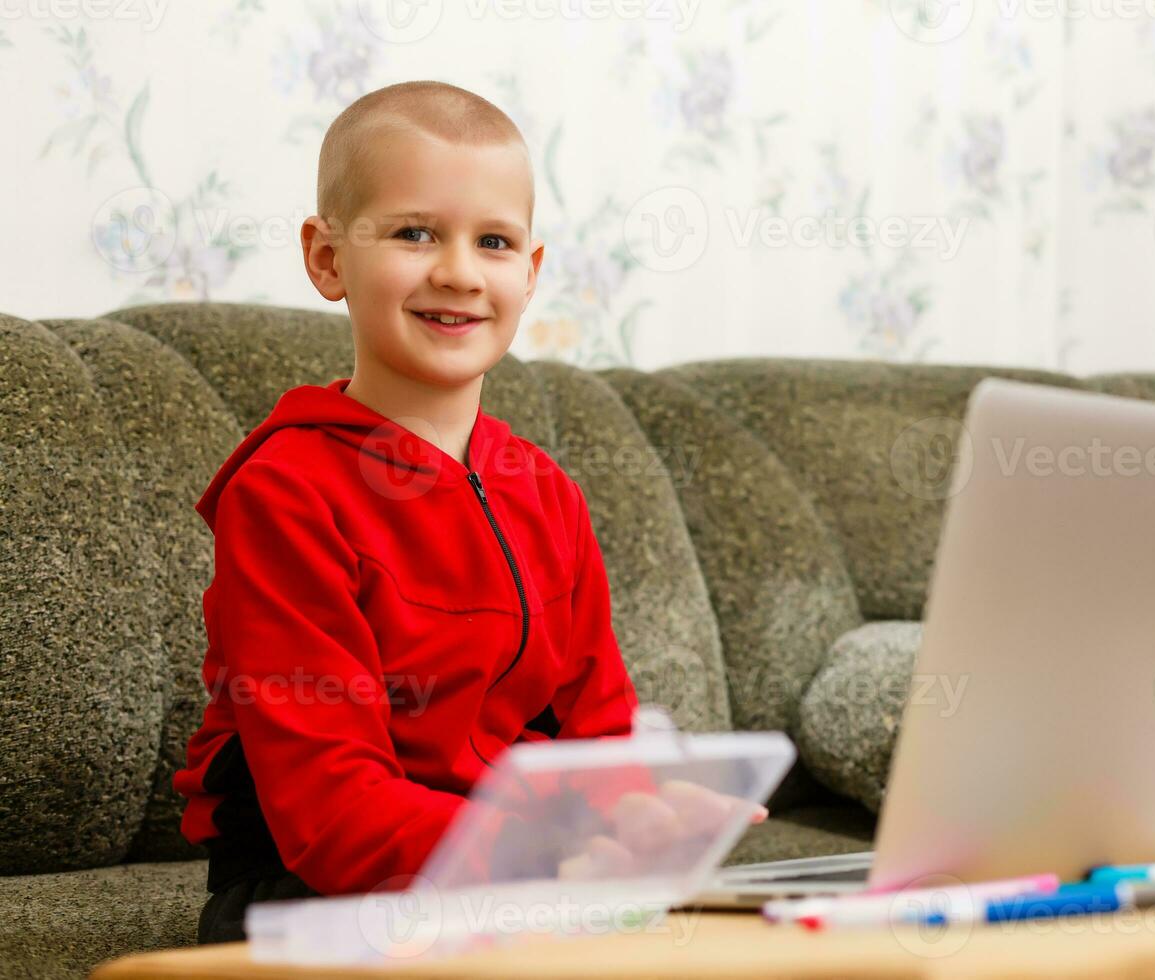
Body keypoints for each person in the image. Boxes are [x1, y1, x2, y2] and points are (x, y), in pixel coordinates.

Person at [173, 80, 762, 946]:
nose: (457, 270)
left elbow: (593, 733)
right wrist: (546, 856)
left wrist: (641, 810)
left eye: (493, 240)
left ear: (530, 271)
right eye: (415, 233)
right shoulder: (286, 491)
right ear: (328, 257)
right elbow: (331, 812)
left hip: (513, 872)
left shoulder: (546, 491)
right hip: (310, 887)